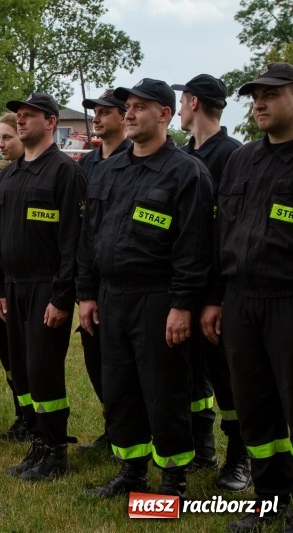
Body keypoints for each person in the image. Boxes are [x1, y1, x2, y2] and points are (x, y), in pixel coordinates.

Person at [77, 79, 213, 498]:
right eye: (128, 106)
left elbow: (194, 247)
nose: (130, 113)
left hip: (158, 299)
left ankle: (173, 482)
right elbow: (89, 235)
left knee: (164, 391)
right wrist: (86, 293)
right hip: (112, 297)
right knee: (120, 389)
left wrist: (182, 304)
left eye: (140, 107)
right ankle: (131, 473)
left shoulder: (186, 172)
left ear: (166, 115)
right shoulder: (110, 168)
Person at [201, 62, 293, 532]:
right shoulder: (242, 160)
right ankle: (270, 497)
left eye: (272, 94)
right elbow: (223, 232)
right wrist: (216, 299)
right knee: (254, 406)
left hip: (286, 301)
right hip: (240, 300)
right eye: (256, 95)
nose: (259, 102)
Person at [0, 93, 86, 481]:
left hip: (46, 288)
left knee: (44, 370)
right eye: (18, 115)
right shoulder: (11, 173)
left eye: (29, 116)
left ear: (51, 122)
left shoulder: (64, 172)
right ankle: (37, 442)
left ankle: (56, 450)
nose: (21, 121)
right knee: (22, 371)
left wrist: (61, 296)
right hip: (13, 289)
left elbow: (73, 241)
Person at [171, 74, 247, 491]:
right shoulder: (183, 155)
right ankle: (203, 446)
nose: (180, 109)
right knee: (190, 376)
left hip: (216, 292)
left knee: (228, 379)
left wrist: (216, 296)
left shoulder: (231, 156)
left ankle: (239, 458)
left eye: (182, 102)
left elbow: (228, 231)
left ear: (193, 102)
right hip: (183, 286)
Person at [76, 89, 132, 454]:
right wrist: (84, 290)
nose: (97, 118)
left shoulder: (136, 158)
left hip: (130, 283)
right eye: (95, 112)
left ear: (125, 116)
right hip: (94, 280)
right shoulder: (86, 165)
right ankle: (113, 429)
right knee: (99, 364)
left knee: (129, 370)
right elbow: (80, 230)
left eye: (105, 112)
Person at [0, 112, 24, 442]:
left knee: (30, 359)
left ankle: (33, 419)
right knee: (10, 356)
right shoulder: (2, 178)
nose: (1, 144)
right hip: (5, 284)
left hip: (32, 284)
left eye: (6, 137)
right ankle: (22, 414)